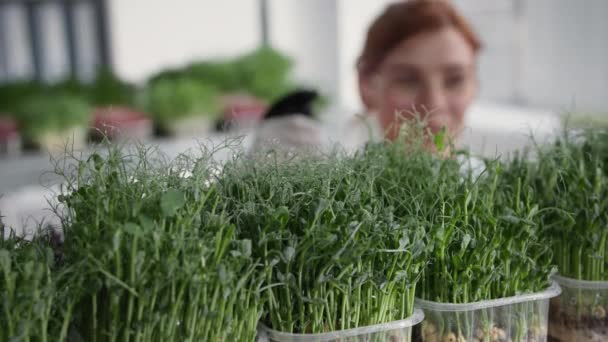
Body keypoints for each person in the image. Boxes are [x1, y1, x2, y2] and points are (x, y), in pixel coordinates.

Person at [251, 0, 482, 154]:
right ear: (367, 84)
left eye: (455, 80)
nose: (434, 104)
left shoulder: (489, 189)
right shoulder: (334, 180)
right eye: (408, 80)